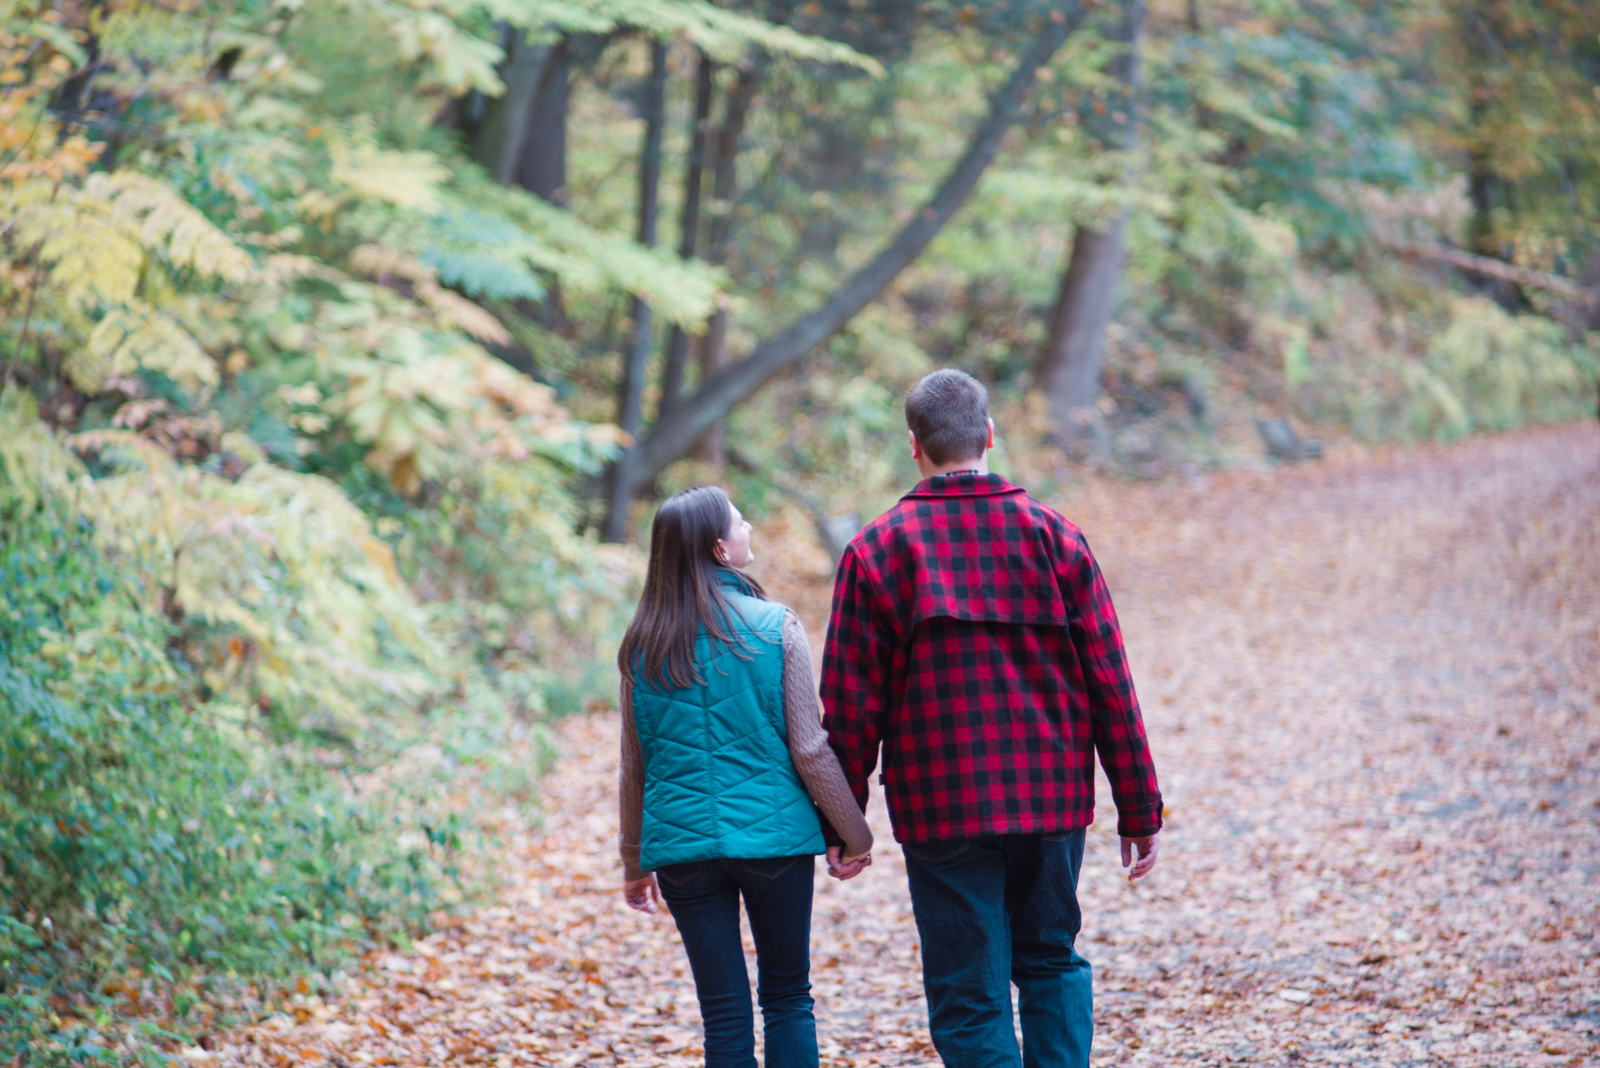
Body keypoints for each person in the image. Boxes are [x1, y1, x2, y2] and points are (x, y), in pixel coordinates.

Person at [820, 369, 1163, 1068]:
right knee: (1050, 960)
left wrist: (843, 823)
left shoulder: (876, 551)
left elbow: (851, 705)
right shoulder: (1057, 539)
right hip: (1050, 798)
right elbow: (1110, 684)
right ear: (991, 437)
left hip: (941, 804)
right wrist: (1139, 807)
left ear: (913, 445)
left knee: (968, 988)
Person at [617, 485, 874, 1068]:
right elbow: (810, 749)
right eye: (739, 522)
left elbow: (636, 765)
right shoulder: (775, 627)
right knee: (787, 998)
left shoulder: (642, 646)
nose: (749, 526)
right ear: (718, 547)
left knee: (723, 1012)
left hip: (682, 851)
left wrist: (634, 864)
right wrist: (854, 837)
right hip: (775, 842)